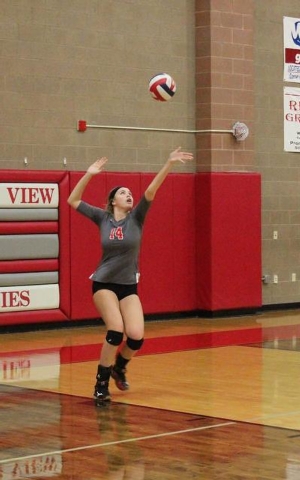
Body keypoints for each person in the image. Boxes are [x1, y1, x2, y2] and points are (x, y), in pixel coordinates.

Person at [67, 147, 194, 405]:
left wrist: (168, 163)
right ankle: (101, 384)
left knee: (135, 337)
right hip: (104, 283)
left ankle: (119, 368)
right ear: (113, 200)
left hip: (128, 285)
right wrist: (89, 174)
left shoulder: (136, 218)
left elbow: (151, 191)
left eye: (130, 193)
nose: (129, 195)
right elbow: (72, 200)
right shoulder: (102, 218)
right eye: (123, 193)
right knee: (116, 331)